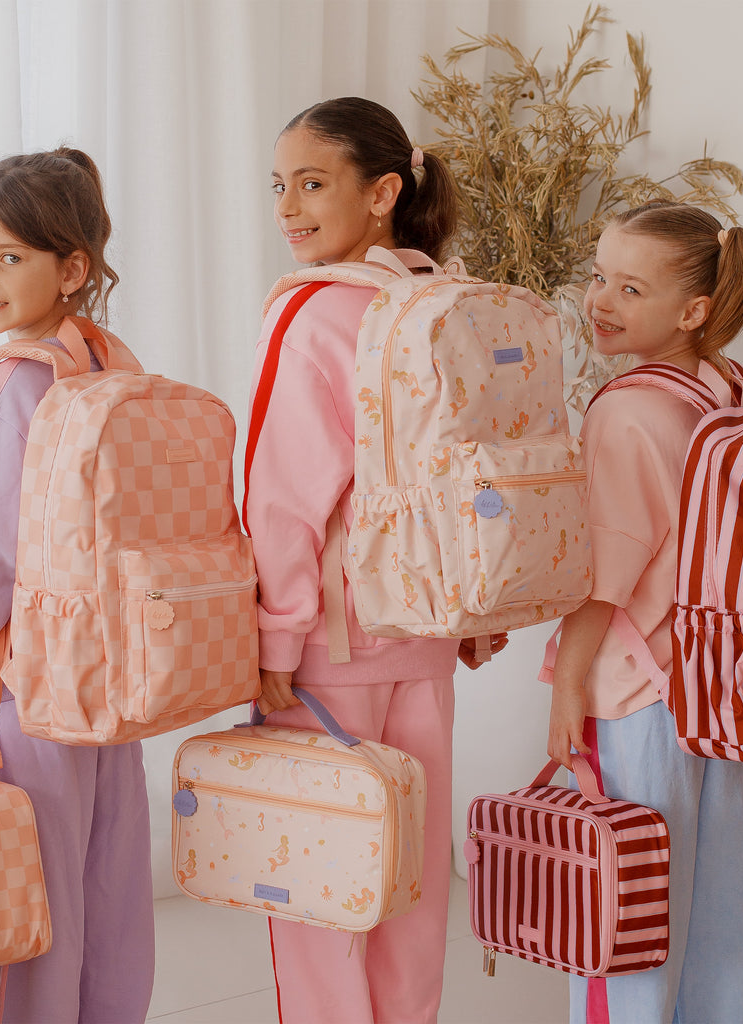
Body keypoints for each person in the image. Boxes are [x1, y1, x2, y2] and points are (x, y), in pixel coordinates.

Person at [246, 96, 501, 1024]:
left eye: (314, 183)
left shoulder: (314, 314)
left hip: (329, 646)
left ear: (385, 190)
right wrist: (477, 612)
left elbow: (282, 491)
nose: (289, 207)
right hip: (428, 634)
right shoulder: (450, 303)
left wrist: (275, 637)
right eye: (280, 185)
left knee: (316, 883)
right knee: (413, 879)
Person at [0, 148, 155, 1024]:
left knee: (33, 911)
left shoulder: (19, 382)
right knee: (107, 893)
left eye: (10, 256)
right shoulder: (104, 360)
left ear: (73, 268)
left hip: (24, 690)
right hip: (107, 683)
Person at [544, 200, 743, 1023]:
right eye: (600, 277)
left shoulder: (626, 411)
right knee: (717, 892)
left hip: (638, 690)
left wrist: (567, 686)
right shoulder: (732, 389)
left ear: (694, 310)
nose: (601, 300)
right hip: (729, 683)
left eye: (631, 289)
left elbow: (601, 578)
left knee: (624, 899)